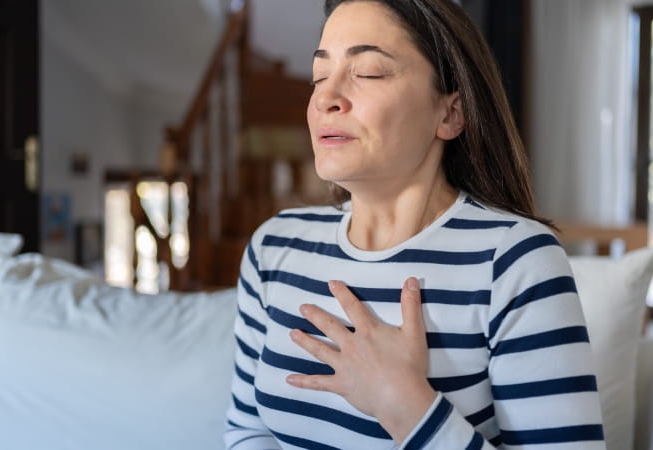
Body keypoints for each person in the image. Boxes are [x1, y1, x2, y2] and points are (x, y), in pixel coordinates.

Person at [225, 0, 605, 448]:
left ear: (449, 113)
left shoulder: (516, 261)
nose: (325, 98)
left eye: (367, 72)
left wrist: (405, 404)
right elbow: (247, 431)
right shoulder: (275, 247)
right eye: (319, 76)